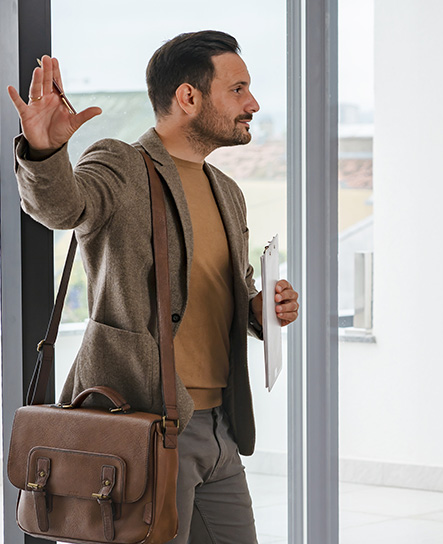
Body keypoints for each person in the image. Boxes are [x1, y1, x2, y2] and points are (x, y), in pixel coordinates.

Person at [7, 31, 299, 543]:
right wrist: (44, 151)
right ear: (188, 97)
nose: (252, 104)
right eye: (238, 90)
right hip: (140, 426)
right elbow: (63, 208)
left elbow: (222, 293)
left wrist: (260, 310)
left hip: (217, 429)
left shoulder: (227, 192)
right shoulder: (121, 163)